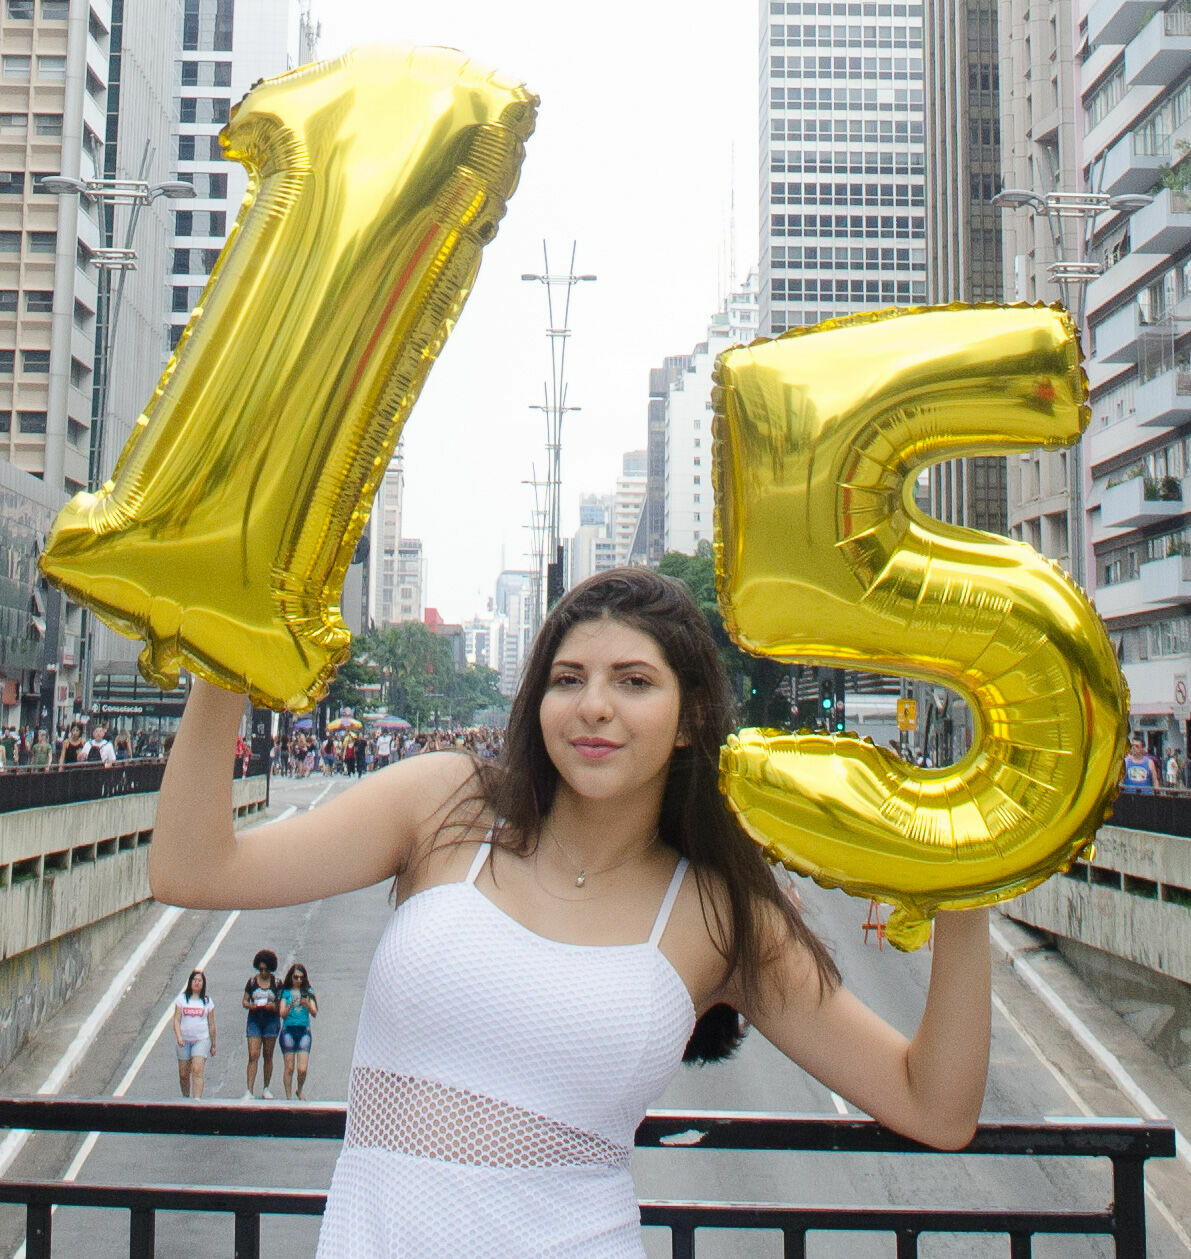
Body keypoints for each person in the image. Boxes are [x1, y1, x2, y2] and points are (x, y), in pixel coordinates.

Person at [150, 567, 991, 1257]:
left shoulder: (714, 912)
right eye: (568, 678)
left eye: (633, 681)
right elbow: (193, 866)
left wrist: (971, 876)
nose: (594, 704)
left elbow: (932, 1104)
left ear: (692, 715)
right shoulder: (446, 806)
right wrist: (231, 645)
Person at [243, 949, 282, 1099]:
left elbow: (281, 1004)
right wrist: (250, 1006)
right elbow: (245, 1000)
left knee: (268, 1054)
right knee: (253, 1054)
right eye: (261, 969)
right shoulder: (252, 982)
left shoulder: (277, 983)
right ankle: (249, 1089)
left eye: (266, 970)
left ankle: (266, 1087)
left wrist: (273, 1007)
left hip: (271, 1020)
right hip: (254, 1019)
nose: (263, 973)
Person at [172, 969, 216, 1099]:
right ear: (190, 982)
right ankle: (186, 1098)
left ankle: (197, 1101)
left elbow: (211, 1024)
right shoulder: (182, 999)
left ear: (203, 984)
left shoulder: (207, 1001)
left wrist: (213, 1044)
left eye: (200, 981)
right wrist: (179, 1037)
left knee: (197, 1070)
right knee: (184, 1074)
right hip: (184, 1041)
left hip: (201, 1039)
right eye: (194, 980)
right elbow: (176, 1019)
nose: (197, 983)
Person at [278, 963, 318, 1100]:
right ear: (291, 977)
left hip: (303, 1031)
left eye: (301, 978)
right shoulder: (286, 992)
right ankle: (288, 1097)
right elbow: (282, 1013)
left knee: (302, 1069)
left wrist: (306, 1003)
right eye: (296, 977)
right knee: (289, 1067)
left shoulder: (308, 992)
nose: (299, 980)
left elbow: (314, 1012)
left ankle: (299, 1089)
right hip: (288, 1030)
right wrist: (290, 1004)